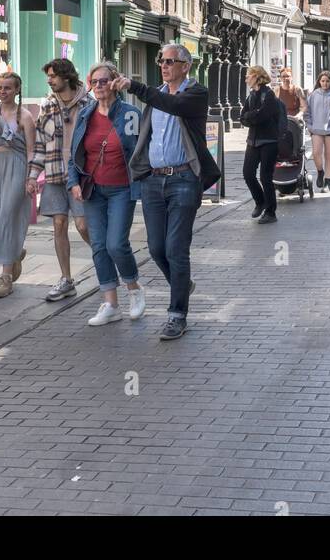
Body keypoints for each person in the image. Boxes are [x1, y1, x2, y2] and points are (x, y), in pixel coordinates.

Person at [118, 45, 220, 341]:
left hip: (184, 179)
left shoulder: (196, 94)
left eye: (170, 61)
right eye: (161, 61)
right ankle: (182, 282)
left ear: (186, 66)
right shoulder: (158, 95)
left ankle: (177, 315)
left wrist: (135, 86)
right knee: (156, 249)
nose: (164, 65)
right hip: (153, 181)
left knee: (176, 248)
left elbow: (172, 105)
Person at [67, 63, 145, 326]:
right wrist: (73, 182)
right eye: (94, 82)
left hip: (122, 189)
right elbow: (75, 153)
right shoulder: (86, 114)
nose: (99, 86)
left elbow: (140, 152)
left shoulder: (131, 114)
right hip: (93, 190)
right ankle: (110, 304)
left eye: (104, 81)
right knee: (99, 246)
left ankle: (134, 288)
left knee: (116, 244)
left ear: (115, 82)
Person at [32, 58, 91, 302]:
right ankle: (66, 279)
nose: (49, 80)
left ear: (66, 77)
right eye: (48, 76)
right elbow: (38, 143)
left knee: (83, 226)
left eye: (53, 76)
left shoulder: (89, 103)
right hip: (55, 174)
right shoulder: (47, 106)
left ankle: (107, 262)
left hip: (80, 176)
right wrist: (33, 176)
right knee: (58, 225)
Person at [0, 70, 36, 298]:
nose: (3, 92)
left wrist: (31, 178)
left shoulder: (25, 117)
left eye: (8, 88)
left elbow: (32, 151)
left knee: (7, 219)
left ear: (17, 90)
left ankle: (5, 277)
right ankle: (14, 251)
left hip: (17, 167)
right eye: (0, 88)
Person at [240, 66, 288, 224]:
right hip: (252, 141)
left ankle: (270, 212)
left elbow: (263, 116)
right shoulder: (251, 96)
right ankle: (260, 201)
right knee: (247, 173)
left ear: (256, 76)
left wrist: (251, 116)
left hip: (269, 141)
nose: (246, 78)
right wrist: (252, 116)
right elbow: (242, 118)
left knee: (265, 177)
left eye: (248, 75)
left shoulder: (268, 94)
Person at [304, 70, 330, 192]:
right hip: (316, 130)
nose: (325, 83)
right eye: (322, 81)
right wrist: (310, 126)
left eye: (327, 81)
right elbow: (307, 112)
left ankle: (327, 183)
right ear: (319, 82)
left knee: (329, 155)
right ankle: (320, 171)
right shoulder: (313, 95)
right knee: (316, 153)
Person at [277, 67, 306, 156]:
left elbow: (304, 106)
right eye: (283, 76)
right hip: (282, 120)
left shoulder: (297, 90)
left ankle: (297, 151)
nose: (286, 79)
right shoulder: (277, 90)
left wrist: (299, 115)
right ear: (280, 78)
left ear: (291, 77)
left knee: (297, 131)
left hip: (295, 119)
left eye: (288, 76)